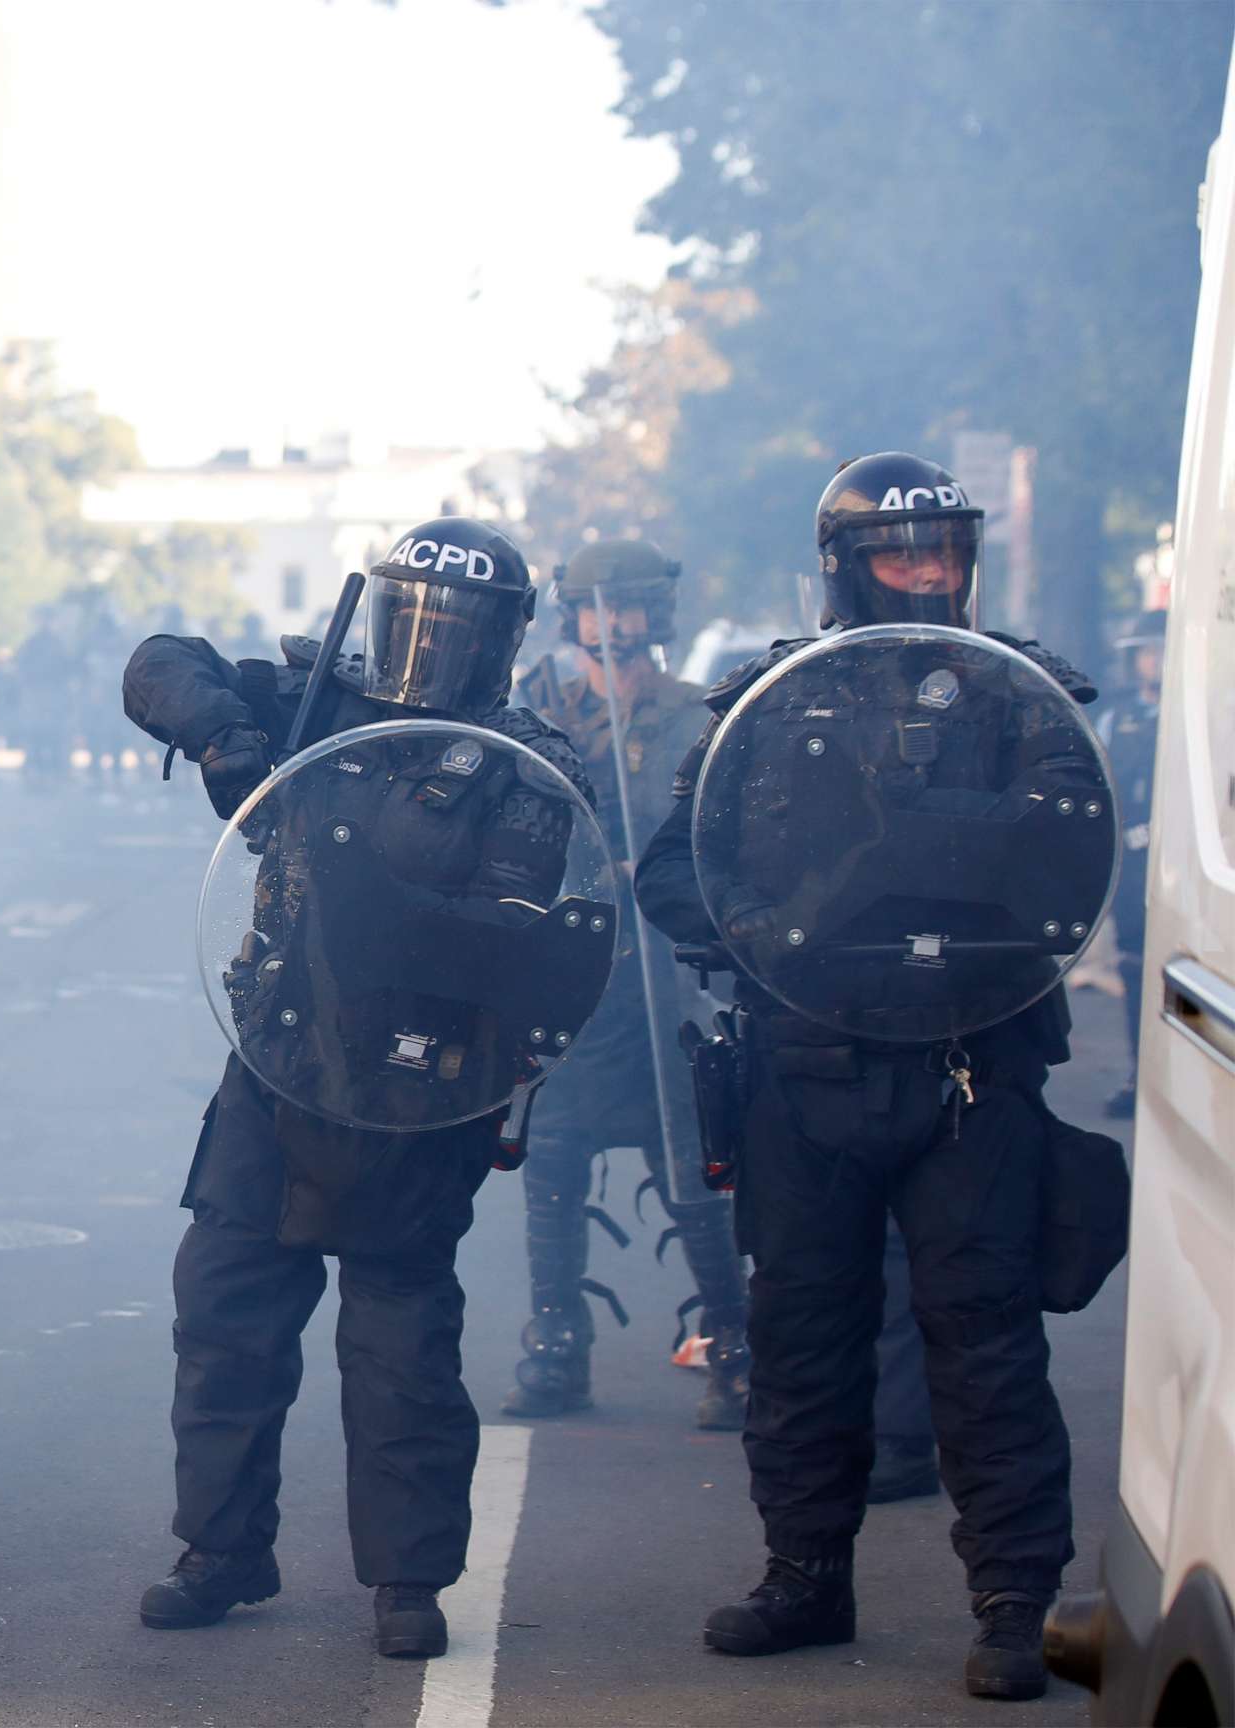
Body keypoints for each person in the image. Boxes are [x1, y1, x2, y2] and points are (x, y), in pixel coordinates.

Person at [636, 453, 1091, 1701]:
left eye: (947, 548)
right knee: (801, 1339)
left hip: (965, 1067)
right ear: (848, 563)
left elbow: (1072, 852)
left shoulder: (1024, 698)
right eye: (904, 552)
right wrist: (783, 937)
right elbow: (672, 872)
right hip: (806, 1065)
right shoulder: (767, 701)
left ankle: (1010, 1602)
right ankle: (803, 1574)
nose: (932, 571)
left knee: (985, 1343)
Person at [121, 517, 591, 1660]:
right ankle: (221, 1549)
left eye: (460, 628)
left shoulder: (525, 769)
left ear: (503, 642)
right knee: (224, 1318)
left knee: (400, 1349)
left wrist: (360, 878)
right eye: (414, 616)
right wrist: (232, 735)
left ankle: (408, 1581)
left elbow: (509, 942)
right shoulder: (318, 702)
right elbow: (156, 663)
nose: (430, 646)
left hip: (415, 1092)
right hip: (276, 1064)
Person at [503, 539, 748, 1429]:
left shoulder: (697, 716)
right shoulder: (533, 714)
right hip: (573, 977)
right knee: (555, 1163)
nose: (615, 626)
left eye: (631, 608)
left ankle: (733, 1345)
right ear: (575, 617)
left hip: (667, 979)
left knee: (690, 1168)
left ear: (657, 614)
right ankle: (557, 1349)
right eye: (600, 610)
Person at [1098, 609, 1164, 1119]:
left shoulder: (1204, 716)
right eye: (1147, 650)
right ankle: (1141, 1074)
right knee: (1135, 971)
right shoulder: (1116, 718)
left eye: (1162, 649)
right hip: (1131, 870)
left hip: (1176, 870)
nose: (1154, 660)